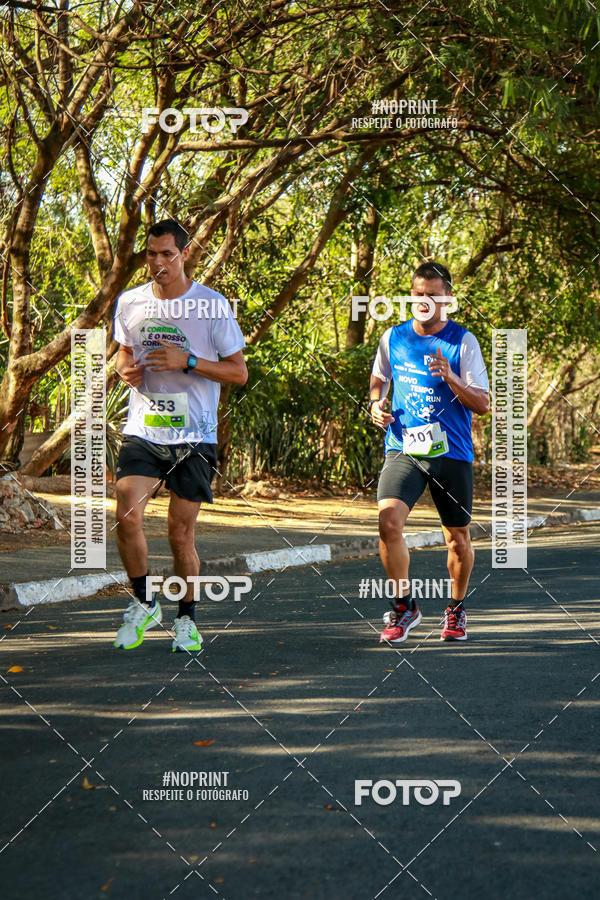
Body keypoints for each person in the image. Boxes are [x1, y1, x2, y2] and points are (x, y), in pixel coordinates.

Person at [112, 219, 247, 652]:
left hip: (195, 435)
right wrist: (124, 370)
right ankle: (144, 600)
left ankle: (186, 618)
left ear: (185, 254)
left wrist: (186, 361)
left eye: (167, 254)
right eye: (151, 254)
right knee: (127, 515)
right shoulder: (130, 302)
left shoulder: (211, 305)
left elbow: (238, 372)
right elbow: (123, 354)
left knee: (179, 534)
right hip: (144, 429)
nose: (158, 263)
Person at [369, 262, 489, 644]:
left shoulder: (463, 342)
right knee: (388, 522)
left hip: (451, 452)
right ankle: (404, 606)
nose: (424, 301)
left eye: (433, 295)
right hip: (404, 446)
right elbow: (379, 379)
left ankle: (455, 609)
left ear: (447, 298)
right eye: (418, 293)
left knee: (458, 539)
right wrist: (376, 404)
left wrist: (451, 377)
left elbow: (483, 404)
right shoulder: (393, 337)